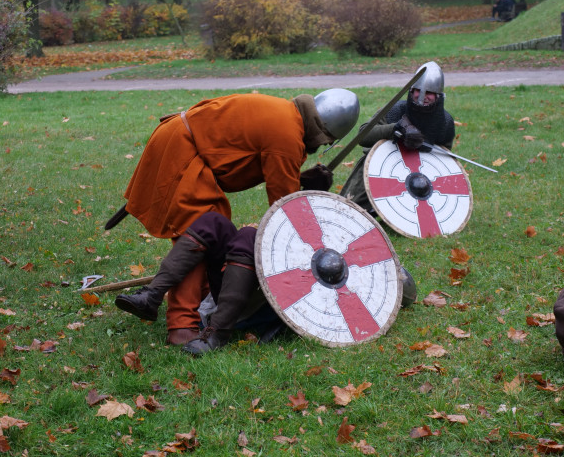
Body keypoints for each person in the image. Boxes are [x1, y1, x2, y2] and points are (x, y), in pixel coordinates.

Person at [118, 90, 360, 345]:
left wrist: (302, 181)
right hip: (182, 149)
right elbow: (284, 212)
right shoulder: (287, 134)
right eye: (324, 141)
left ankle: (175, 298)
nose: (319, 146)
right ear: (321, 131)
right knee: (199, 227)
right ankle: (181, 327)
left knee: (212, 223)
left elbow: (245, 158)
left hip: (180, 140)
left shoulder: (285, 115)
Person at [117, 211, 420, 355]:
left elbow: (302, 302)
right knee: (215, 222)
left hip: (253, 305)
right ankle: (151, 297)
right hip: (238, 284)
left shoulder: (347, 297)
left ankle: (216, 335)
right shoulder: (335, 250)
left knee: (248, 238)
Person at [340, 61, 455, 214]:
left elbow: (444, 161)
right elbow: (363, 135)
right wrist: (394, 128)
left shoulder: (444, 122)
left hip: (419, 177)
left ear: (438, 96)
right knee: (350, 210)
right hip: (380, 167)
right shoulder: (396, 110)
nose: (421, 96)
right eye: (417, 90)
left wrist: (425, 148)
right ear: (411, 90)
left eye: (428, 93)